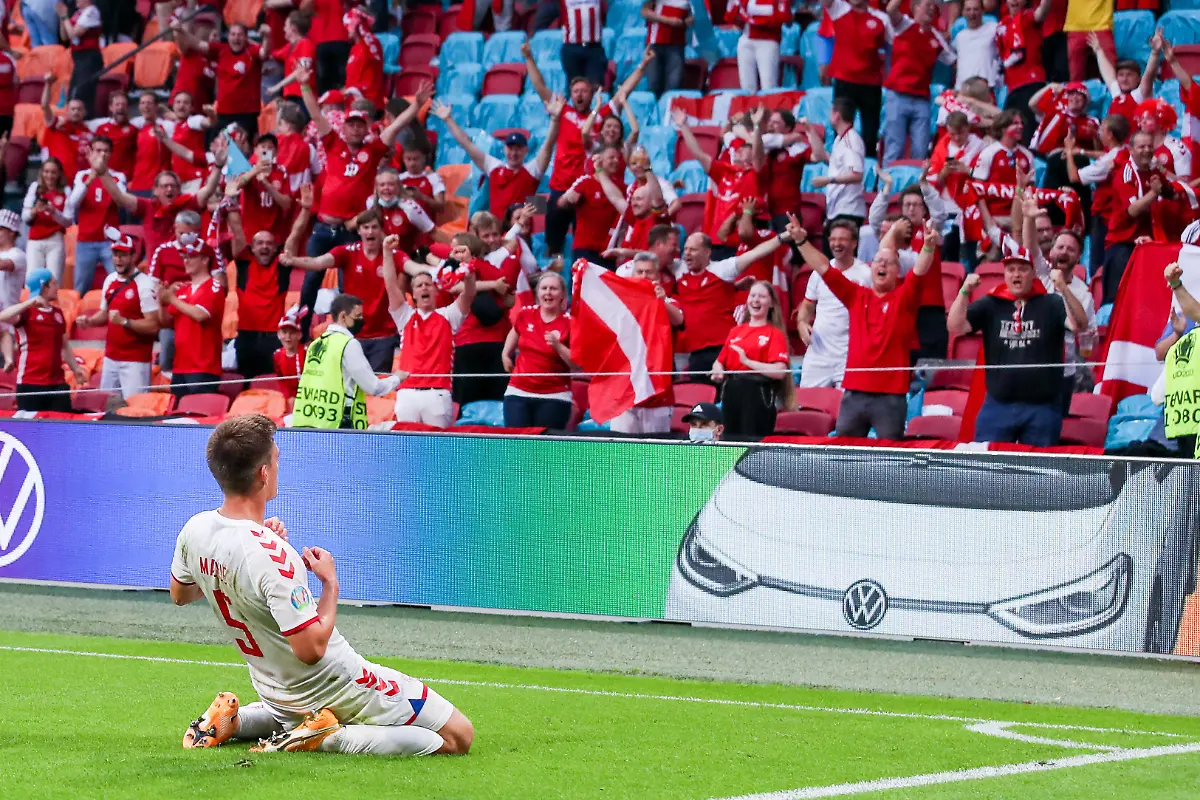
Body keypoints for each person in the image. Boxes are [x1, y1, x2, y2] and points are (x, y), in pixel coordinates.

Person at [171, 415, 474, 755]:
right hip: (335, 683)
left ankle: (236, 722)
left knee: (289, 714)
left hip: (275, 691)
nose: (278, 465)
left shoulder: (195, 530)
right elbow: (312, 650)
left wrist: (251, 551)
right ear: (264, 473)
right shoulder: (273, 555)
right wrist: (330, 584)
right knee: (458, 736)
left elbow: (181, 594)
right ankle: (327, 736)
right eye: (276, 458)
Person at [293, 66, 427, 338]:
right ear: (344, 127)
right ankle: (301, 333)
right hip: (323, 226)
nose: (355, 128)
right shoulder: (333, 142)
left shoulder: (374, 149)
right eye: (351, 124)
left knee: (350, 286)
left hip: (351, 229)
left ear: (365, 128)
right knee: (310, 282)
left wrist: (417, 106)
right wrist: (305, 85)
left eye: (359, 125)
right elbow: (315, 114)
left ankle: (350, 333)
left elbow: (396, 126)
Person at [790, 218, 939, 440]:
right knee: (844, 452)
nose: (882, 265)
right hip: (854, 395)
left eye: (888, 263)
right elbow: (823, 267)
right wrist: (801, 241)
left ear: (898, 271)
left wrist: (928, 246)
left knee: (890, 456)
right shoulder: (855, 295)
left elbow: (919, 271)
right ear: (871, 269)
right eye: (878, 261)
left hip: (890, 397)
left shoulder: (905, 299)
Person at [523, 44, 651, 267]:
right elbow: (540, 86)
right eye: (576, 91)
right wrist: (528, 57)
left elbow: (624, 92)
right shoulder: (563, 111)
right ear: (570, 94)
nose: (580, 94)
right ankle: (551, 270)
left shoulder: (604, 115)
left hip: (590, 191)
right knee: (552, 237)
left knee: (584, 241)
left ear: (592, 94)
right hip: (561, 185)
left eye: (584, 91)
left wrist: (643, 65)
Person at [948, 248, 1079, 446]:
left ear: (1033, 273)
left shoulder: (1051, 303)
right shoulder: (991, 303)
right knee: (986, 461)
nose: (1016, 274)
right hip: (998, 405)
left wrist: (1064, 288)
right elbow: (955, 326)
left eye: (1022, 269)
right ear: (1004, 275)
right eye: (1011, 270)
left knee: (1039, 464)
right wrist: (965, 290)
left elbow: (1078, 325)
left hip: (1042, 407)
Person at [281, 208, 398, 372]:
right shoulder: (346, 252)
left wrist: (434, 269)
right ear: (359, 231)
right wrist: (293, 260)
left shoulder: (393, 255)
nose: (370, 232)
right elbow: (318, 263)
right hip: (351, 335)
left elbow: (413, 268)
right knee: (349, 386)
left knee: (378, 386)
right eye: (366, 227)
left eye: (374, 227)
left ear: (381, 231)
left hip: (382, 337)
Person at [674, 229, 797, 381]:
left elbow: (756, 253)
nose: (687, 253)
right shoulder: (678, 270)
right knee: (699, 394)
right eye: (685, 249)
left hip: (724, 348)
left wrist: (783, 236)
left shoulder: (722, 269)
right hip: (696, 352)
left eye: (692, 249)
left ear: (707, 252)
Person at [383, 238, 476, 428]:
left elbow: (469, 293)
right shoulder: (405, 316)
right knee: (406, 444)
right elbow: (390, 284)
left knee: (437, 445)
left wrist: (468, 266)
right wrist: (386, 251)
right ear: (413, 294)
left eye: (428, 284)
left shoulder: (449, 316)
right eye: (419, 285)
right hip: (407, 393)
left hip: (437, 394)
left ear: (436, 290)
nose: (424, 287)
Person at [226, 181, 309, 380]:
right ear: (252, 247)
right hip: (246, 338)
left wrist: (306, 209)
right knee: (247, 388)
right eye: (260, 243)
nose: (264, 247)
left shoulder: (281, 265)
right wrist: (231, 200)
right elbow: (236, 230)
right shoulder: (244, 262)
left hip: (273, 338)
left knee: (273, 387)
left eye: (269, 244)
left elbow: (295, 235)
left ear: (275, 248)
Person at [433, 97, 563, 220]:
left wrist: (555, 120)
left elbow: (548, 145)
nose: (514, 153)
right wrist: (448, 119)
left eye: (518, 148)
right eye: (510, 148)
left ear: (525, 151)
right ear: (504, 149)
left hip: (521, 227)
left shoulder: (532, 170)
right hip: (496, 230)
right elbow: (466, 143)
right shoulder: (494, 167)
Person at [291, 294, 404, 429]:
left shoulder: (316, 343)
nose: (361, 320)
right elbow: (373, 387)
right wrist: (397, 378)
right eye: (358, 316)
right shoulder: (348, 344)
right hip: (339, 422)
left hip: (311, 419)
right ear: (343, 316)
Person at [74, 233, 160, 399]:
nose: (118, 260)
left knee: (134, 405)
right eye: (115, 255)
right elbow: (105, 314)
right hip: (111, 357)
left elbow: (153, 326)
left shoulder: (145, 284)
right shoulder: (110, 280)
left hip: (135, 360)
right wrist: (89, 321)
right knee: (106, 405)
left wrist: (125, 322)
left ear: (133, 256)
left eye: (123, 255)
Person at [674, 106, 766, 258]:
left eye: (744, 148)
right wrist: (683, 126)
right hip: (716, 239)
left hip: (738, 240)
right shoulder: (723, 171)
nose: (739, 150)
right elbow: (698, 154)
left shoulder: (755, 174)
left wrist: (756, 126)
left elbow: (758, 155)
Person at [608, 252, 683, 434]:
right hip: (623, 393)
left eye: (648, 272)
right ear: (632, 275)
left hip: (657, 395)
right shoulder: (619, 306)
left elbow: (679, 320)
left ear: (657, 276)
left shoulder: (668, 302)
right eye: (639, 272)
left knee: (655, 449)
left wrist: (661, 301)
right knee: (621, 447)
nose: (643, 276)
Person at [711, 280, 795, 439]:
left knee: (752, 442)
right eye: (752, 295)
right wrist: (718, 371)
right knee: (730, 441)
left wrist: (748, 362)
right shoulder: (735, 331)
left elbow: (780, 371)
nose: (755, 300)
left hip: (757, 394)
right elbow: (719, 361)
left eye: (761, 296)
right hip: (732, 392)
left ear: (771, 303)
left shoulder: (774, 334)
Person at [795, 219, 872, 388]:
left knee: (846, 404)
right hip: (818, 354)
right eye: (833, 239)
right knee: (808, 401)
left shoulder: (866, 274)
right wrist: (801, 323)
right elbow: (807, 305)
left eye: (842, 239)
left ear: (854, 243)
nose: (837, 244)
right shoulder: (818, 272)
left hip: (850, 355)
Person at [0, 269, 86, 412]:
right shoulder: (26, 312)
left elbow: (64, 345)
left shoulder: (58, 313)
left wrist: (76, 369)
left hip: (57, 382)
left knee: (62, 421)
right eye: (54, 283)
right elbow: (2, 316)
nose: (57, 287)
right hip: (30, 382)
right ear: (43, 287)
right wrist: (28, 303)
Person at [883, 0, 955, 165]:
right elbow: (890, 9)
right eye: (927, 4)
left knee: (921, 151)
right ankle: (886, 181)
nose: (931, 8)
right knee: (894, 147)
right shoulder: (903, 24)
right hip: (897, 95)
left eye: (933, 6)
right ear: (915, 7)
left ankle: (918, 181)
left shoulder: (936, 36)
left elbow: (953, 61)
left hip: (921, 100)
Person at [171, 19, 268, 141]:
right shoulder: (221, 50)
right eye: (233, 34)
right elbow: (197, 43)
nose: (236, 38)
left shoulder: (252, 51)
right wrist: (180, 30)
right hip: (223, 112)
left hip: (247, 113)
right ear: (228, 36)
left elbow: (265, 52)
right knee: (217, 145)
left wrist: (267, 37)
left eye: (239, 34)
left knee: (244, 146)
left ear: (245, 37)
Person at [502, 272, 575, 429]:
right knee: (515, 441)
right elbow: (515, 331)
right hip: (518, 391)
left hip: (555, 395)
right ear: (537, 292)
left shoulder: (570, 323)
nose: (548, 292)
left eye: (553, 288)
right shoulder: (525, 314)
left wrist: (558, 346)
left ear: (562, 294)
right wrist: (505, 354)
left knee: (543, 444)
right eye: (544, 288)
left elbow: (576, 364)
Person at [823, 0, 891, 158]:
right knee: (841, 129)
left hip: (871, 84)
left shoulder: (882, 18)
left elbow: (892, 44)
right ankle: (840, 162)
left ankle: (868, 167)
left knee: (870, 133)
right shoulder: (839, 8)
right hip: (844, 81)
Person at [160, 242, 227, 398]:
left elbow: (200, 314)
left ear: (205, 260)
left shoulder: (214, 286)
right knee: (178, 411)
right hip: (180, 366)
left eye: (191, 257)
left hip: (203, 367)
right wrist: (162, 300)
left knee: (198, 410)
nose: (186, 261)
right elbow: (165, 322)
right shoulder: (183, 289)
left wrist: (171, 299)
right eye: (185, 257)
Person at [66, 137, 129, 295]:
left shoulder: (118, 177)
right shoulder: (82, 175)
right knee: (80, 288)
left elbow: (122, 201)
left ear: (110, 154)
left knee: (120, 284)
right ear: (91, 153)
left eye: (106, 151)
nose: (102, 154)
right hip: (86, 240)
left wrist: (104, 175)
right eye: (98, 150)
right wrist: (92, 176)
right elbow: (73, 202)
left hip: (111, 241)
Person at [996, 0, 1055, 143]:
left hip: (1032, 84)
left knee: (1028, 132)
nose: (1014, 0)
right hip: (1012, 88)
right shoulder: (1001, 25)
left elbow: (1041, 12)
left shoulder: (1028, 17)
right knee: (1010, 133)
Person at [812, 98, 866, 227]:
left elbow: (857, 175)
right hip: (836, 208)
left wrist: (827, 180)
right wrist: (810, 131)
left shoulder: (851, 140)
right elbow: (831, 160)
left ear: (836, 115)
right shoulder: (839, 140)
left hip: (848, 209)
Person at [727, 0, 792, 94]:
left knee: (768, 87)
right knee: (746, 89)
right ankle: (750, 104)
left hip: (768, 41)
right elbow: (735, 18)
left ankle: (769, 104)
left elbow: (788, 21)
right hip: (746, 39)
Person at [21, 158, 70, 281]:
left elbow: (68, 221)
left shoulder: (65, 191)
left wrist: (54, 212)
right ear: (42, 172)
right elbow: (25, 216)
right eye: (46, 171)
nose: (49, 176)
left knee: (54, 280)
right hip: (35, 239)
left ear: (59, 174)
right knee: (32, 279)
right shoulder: (35, 188)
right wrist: (35, 210)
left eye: (53, 172)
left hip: (55, 239)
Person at [57, 0, 102, 116]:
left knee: (82, 92)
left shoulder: (91, 11)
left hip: (89, 57)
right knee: (73, 92)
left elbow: (74, 33)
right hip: (78, 58)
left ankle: (86, 118)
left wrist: (65, 17)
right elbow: (64, 36)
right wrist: (62, 18)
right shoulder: (78, 13)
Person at [40, 79, 90, 183]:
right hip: (56, 181)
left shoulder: (88, 133)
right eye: (73, 109)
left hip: (79, 183)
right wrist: (48, 84)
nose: (76, 112)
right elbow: (44, 106)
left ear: (84, 112)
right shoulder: (57, 125)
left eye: (79, 109)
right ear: (66, 111)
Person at [642, 0, 691, 96]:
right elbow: (645, 11)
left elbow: (695, 16)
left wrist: (686, 22)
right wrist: (667, 20)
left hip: (677, 45)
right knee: (653, 84)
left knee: (674, 85)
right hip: (655, 43)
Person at [268, 11, 317, 107]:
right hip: (291, 97)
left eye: (285, 26)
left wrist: (278, 86)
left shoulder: (306, 44)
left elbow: (302, 70)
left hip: (303, 97)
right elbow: (269, 55)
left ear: (293, 28)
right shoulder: (289, 47)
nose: (283, 29)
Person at [952, 0, 1000, 91]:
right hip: (962, 90)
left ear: (982, 11)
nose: (972, 13)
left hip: (985, 89)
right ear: (963, 12)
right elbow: (951, 58)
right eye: (968, 9)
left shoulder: (994, 28)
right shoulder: (959, 37)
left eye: (976, 9)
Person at [273, 306, 307, 403]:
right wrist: (288, 397)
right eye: (284, 333)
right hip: (288, 399)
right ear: (279, 335)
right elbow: (280, 380)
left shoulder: (307, 353)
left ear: (299, 335)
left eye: (292, 333)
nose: (288, 337)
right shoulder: (277, 355)